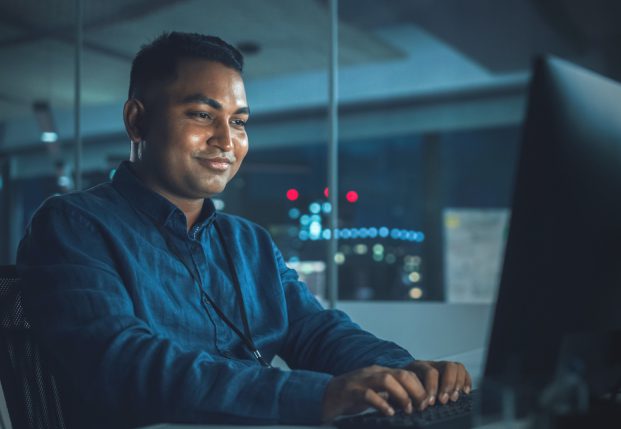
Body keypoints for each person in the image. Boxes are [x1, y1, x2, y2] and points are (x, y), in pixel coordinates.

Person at [17, 32, 471, 428]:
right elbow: (121, 364)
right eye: (201, 114)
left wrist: (405, 371)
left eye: (238, 122)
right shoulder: (75, 224)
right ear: (137, 120)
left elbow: (316, 331)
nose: (226, 140)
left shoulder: (247, 241)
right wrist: (319, 396)